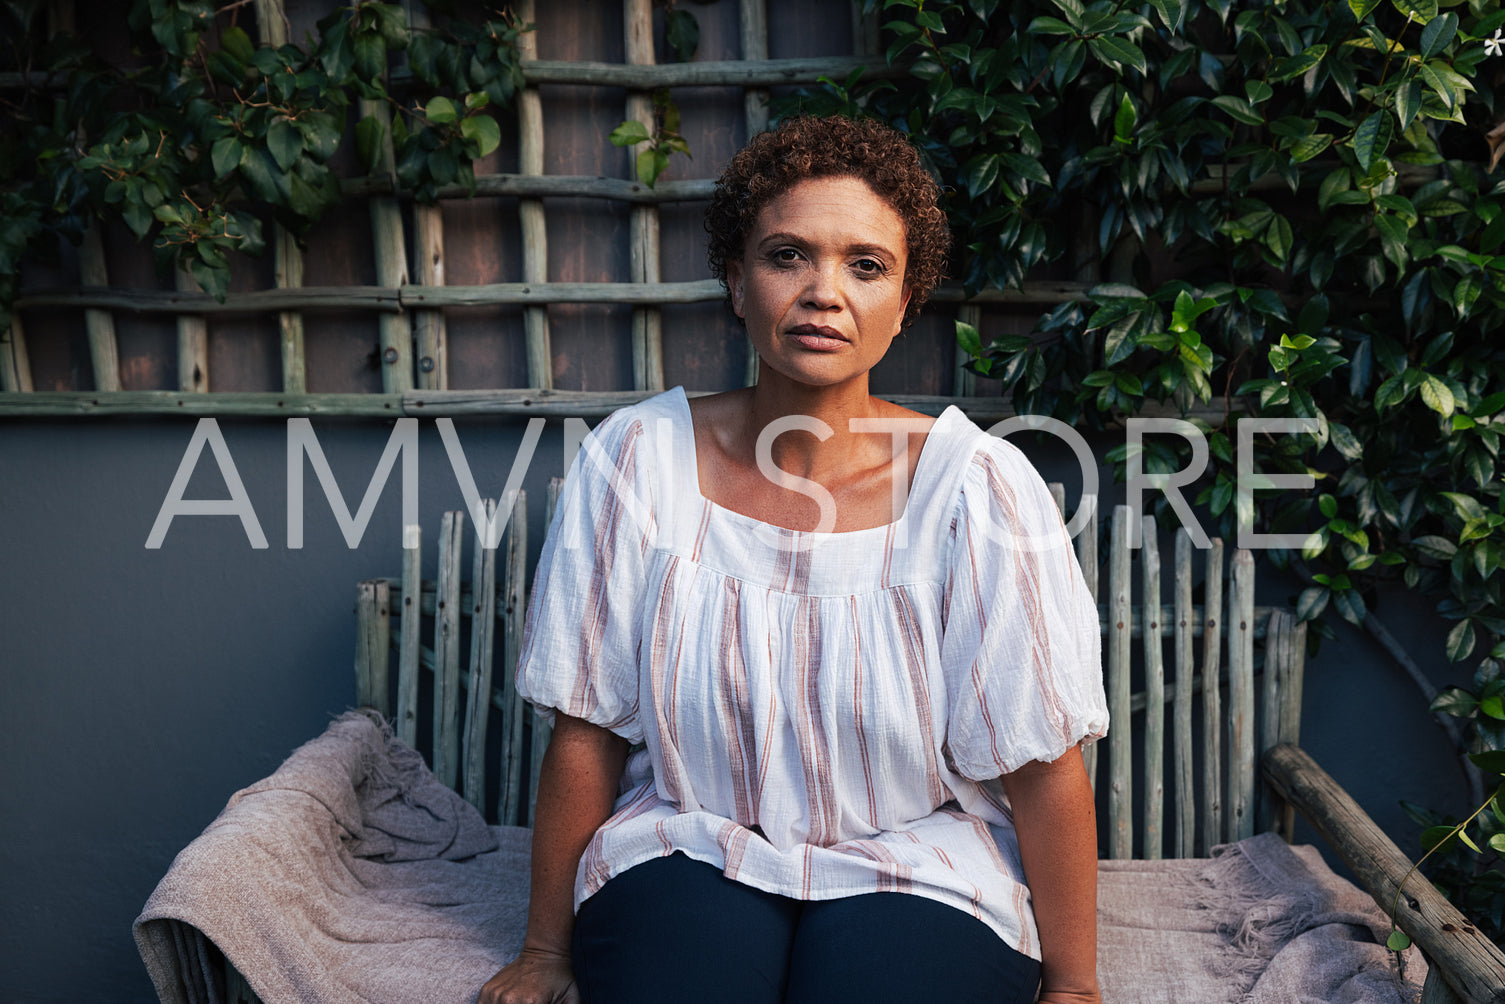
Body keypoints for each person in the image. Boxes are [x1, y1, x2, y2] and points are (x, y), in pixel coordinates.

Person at [479, 114, 1108, 1004]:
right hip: (687, 841)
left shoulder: (978, 490)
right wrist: (545, 952)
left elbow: (1041, 760)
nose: (824, 292)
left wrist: (1073, 987)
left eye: (865, 265)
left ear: (905, 301)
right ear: (736, 281)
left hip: (920, 857)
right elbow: (586, 725)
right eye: (786, 256)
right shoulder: (634, 460)